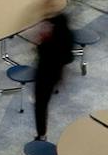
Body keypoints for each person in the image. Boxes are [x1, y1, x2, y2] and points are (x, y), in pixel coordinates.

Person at [30, 9, 75, 141]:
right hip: (56, 74)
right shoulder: (69, 35)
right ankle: (41, 134)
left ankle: (41, 134)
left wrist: (41, 44)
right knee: (43, 103)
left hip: (44, 75)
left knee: (40, 105)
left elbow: (41, 52)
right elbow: (68, 58)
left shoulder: (52, 40)